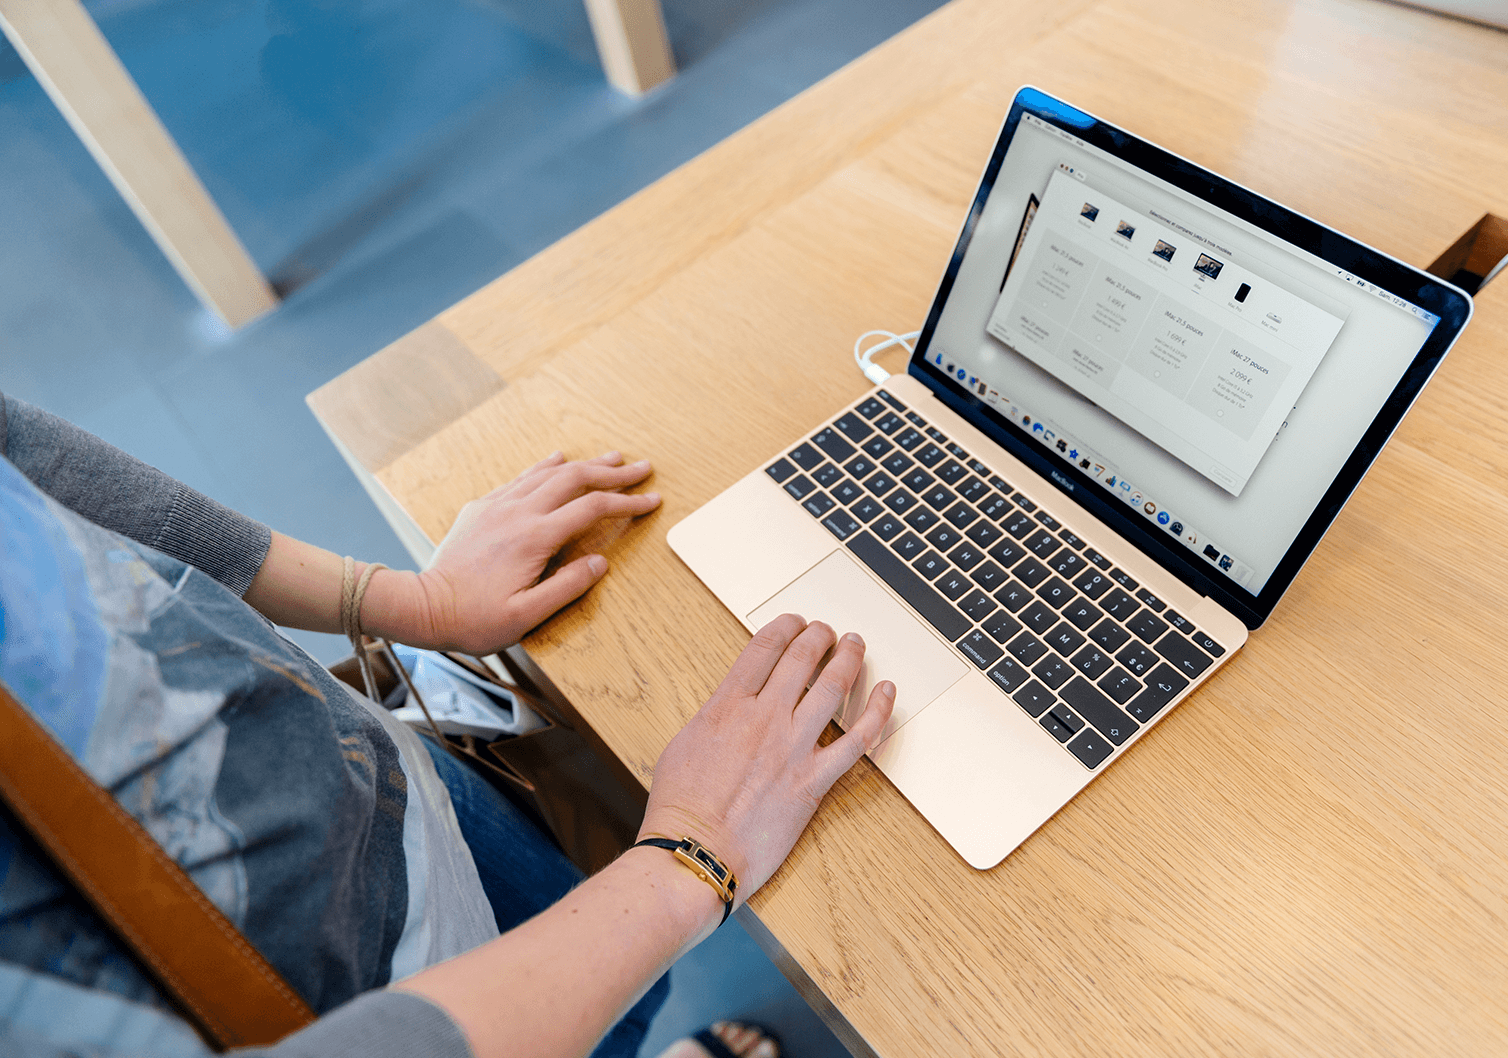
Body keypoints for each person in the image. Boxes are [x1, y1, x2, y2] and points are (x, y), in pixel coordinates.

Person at [0, 393, 895, 1058]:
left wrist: (403, 601)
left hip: (361, 772)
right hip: (352, 1006)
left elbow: (23, 458)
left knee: (622, 984)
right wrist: (690, 855)